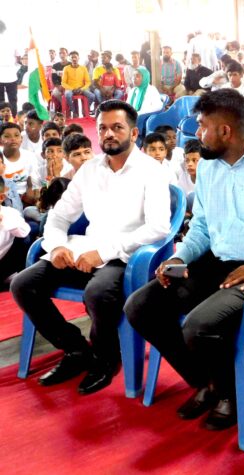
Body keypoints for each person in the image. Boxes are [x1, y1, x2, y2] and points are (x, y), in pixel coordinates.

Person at [124, 89, 244, 431]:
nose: (197, 133)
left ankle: (230, 394)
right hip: (216, 260)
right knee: (141, 306)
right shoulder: (210, 167)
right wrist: (180, 256)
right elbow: (202, 226)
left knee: (200, 326)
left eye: (202, 126)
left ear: (225, 131)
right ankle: (208, 382)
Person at [10, 100, 171, 395]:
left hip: (125, 256)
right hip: (85, 249)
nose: (108, 134)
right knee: (23, 284)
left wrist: (105, 253)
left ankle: (106, 357)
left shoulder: (152, 171)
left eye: (117, 127)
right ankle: (76, 349)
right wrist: (57, 246)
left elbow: (158, 228)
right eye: (103, 128)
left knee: (97, 293)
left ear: (134, 133)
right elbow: (59, 216)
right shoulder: (90, 169)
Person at [0, 122, 41, 206]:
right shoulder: (0, 158)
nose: (13, 139)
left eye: (16, 135)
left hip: (25, 197)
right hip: (5, 197)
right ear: (0, 140)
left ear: (21, 138)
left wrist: (30, 189)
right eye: (7, 136)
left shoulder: (30, 156)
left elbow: (33, 179)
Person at [0, 178, 30, 283]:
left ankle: (9, 274)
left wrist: (3, 220)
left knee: (25, 237)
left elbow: (24, 231)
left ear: (1, 198)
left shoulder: (10, 213)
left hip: (4, 261)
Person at [62, 51, 95, 118]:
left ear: (78, 58)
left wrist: (82, 89)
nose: (74, 59)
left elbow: (88, 82)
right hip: (70, 88)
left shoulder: (83, 68)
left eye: (75, 57)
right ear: (69, 59)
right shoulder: (66, 68)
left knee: (92, 96)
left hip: (81, 88)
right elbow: (63, 83)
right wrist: (72, 89)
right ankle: (74, 112)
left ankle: (84, 110)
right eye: (72, 57)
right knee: (68, 95)